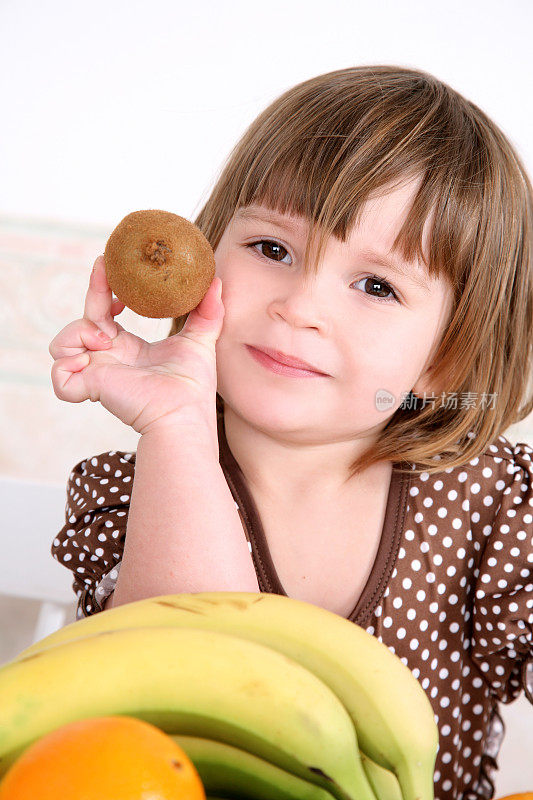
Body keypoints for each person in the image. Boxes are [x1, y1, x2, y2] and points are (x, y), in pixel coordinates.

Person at [49, 65, 532, 800]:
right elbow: (187, 675)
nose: (300, 305)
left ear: (446, 357)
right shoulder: (137, 488)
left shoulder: (494, 506)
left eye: (376, 285)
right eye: (272, 249)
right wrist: (175, 424)